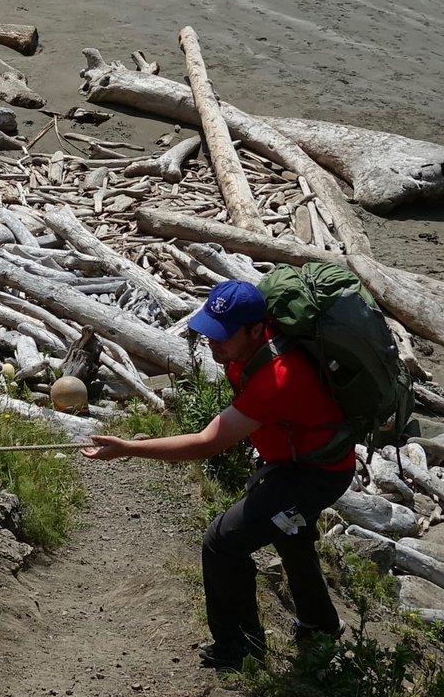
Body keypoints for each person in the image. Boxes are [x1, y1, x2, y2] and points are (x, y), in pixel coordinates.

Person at [82, 278, 354, 668]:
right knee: (291, 534)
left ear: (257, 330)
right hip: (295, 463)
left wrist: (128, 450)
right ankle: (320, 627)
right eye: (210, 332)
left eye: (223, 337)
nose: (213, 343)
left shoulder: (278, 378)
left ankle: (240, 649)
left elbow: (207, 442)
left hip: (314, 475)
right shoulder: (251, 344)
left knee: (223, 542)